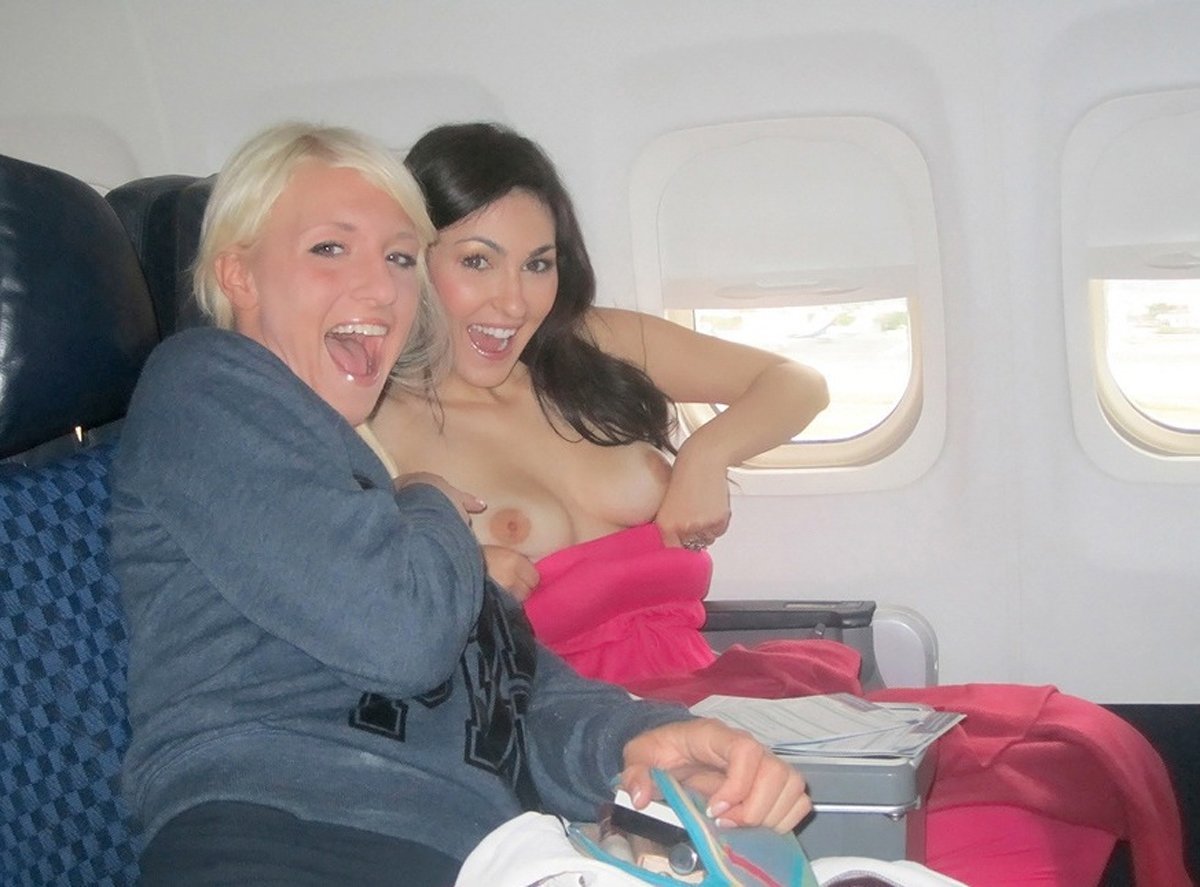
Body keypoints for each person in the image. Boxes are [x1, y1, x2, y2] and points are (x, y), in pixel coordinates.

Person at [369, 122, 1190, 887]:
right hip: (589, 737)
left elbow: (796, 381)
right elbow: (369, 614)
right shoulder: (380, 423)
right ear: (409, 258)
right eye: (477, 261)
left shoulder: (590, 345)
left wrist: (707, 451)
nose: (514, 301)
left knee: (1065, 753)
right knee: (973, 838)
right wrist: (461, 574)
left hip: (712, 692)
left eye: (538, 263)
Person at [109, 121, 812, 887]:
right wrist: (428, 497)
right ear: (239, 275)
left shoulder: (344, 460)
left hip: (476, 848)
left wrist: (645, 740)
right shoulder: (205, 388)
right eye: (330, 248)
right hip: (289, 838)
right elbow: (400, 635)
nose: (381, 287)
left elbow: (512, 692)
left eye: (399, 257)